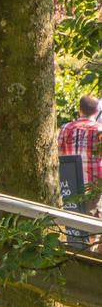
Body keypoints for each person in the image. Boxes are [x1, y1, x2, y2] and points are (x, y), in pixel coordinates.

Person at [58, 96, 102, 229]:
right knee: (94, 217)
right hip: (94, 181)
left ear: (79, 109)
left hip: (71, 182)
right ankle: (93, 247)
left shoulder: (66, 128)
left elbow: (60, 156)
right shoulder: (99, 130)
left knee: (74, 217)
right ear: (96, 111)